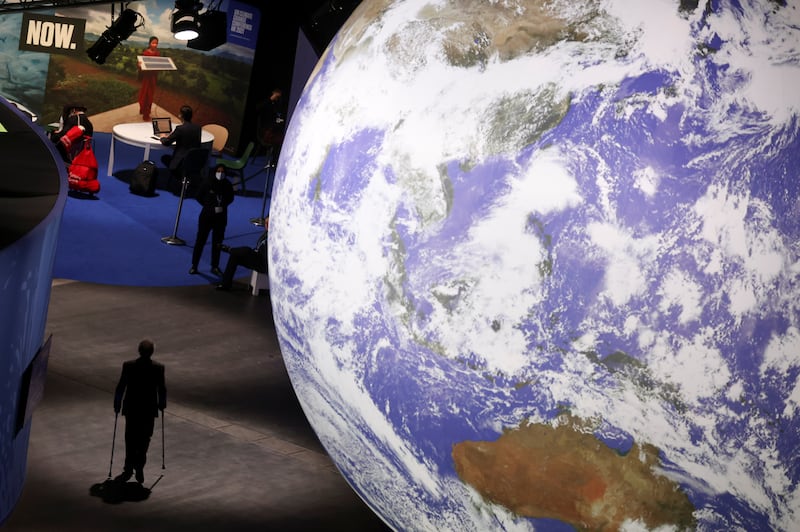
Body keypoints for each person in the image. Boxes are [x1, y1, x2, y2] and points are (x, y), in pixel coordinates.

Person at [113, 339, 167, 485]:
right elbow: (161, 389)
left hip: (132, 408)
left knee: (130, 438)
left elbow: (121, 387)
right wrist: (162, 404)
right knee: (145, 439)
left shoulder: (128, 366)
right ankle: (139, 465)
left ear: (139, 350)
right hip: (148, 410)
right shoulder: (158, 368)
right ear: (152, 352)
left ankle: (129, 467)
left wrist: (117, 404)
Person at [190, 164, 234, 276]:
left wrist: (222, 205)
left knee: (217, 243)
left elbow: (230, 198)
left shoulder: (227, 185)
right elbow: (198, 196)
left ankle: (215, 266)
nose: (220, 173)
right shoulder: (207, 183)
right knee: (200, 241)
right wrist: (208, 206)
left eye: (222, 171)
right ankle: (194, 266)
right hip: (206, 217)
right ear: (215, 172)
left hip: (221, 218)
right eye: (218, 171)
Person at [216, 218, 268, 291]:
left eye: (268, 224)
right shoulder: (266, 234)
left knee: (246, 250)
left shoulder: (274, 238)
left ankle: (229, 249)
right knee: (235, 256)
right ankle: (225, 284)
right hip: (258, 257)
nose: (266, 226)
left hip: (264, 264)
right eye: (266, 223)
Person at [159, 104, 201, 180]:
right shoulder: (198, 128)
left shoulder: (180, 129)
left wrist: (162, 137)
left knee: (164, 158)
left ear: (181, 115)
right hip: (194, 161)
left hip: (180, 162)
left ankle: (178, 176)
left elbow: (166, 143)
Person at [137, 36, 160, 121]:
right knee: (145, 95)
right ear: (149, 43)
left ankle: (147, 112)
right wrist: (139, 66)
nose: (155, 45)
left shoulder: (157, 53)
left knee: (150, 95)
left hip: (153, 77)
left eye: (156, 43)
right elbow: (141, 65)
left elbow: (158, 65)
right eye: (153, 43)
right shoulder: (145, 53)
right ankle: (144, 113)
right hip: (146, 78)